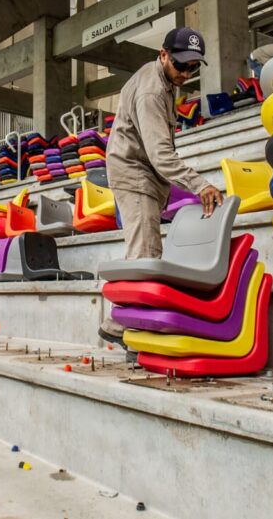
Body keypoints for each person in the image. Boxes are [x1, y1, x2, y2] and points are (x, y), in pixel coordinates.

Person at [100, 27, 224, 347]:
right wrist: (199, 185)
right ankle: (126, 328)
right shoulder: (153, 91)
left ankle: (124, 322)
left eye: (193, 67)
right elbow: (160, 155)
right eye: (180, 64)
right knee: (146, 254)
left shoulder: (166, 81)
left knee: (143, 252)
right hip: (135, 171)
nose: (186, 73)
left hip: (143, 170)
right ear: (163, 54)